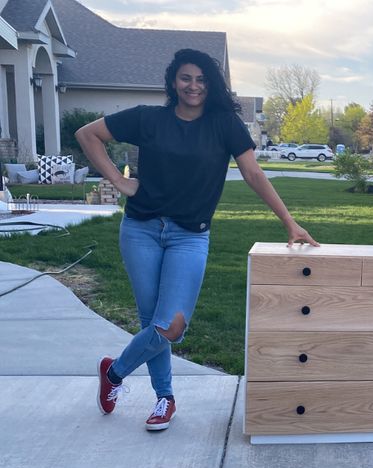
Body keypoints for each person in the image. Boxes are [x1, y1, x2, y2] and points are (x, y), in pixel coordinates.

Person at [75, 48, 319, 431]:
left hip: (190, 236)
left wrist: (289, 222)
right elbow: (87, 135)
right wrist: (119, 182)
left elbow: (254, 174)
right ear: (174, 81)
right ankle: (164, 399)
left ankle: (115, 373)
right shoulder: (148, 118)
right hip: (140, 229)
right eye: (186, 78)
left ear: (211, 84)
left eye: (201, 79)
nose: (194, 86)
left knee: (171, 325)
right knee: (150, 319)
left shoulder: (224, 125)